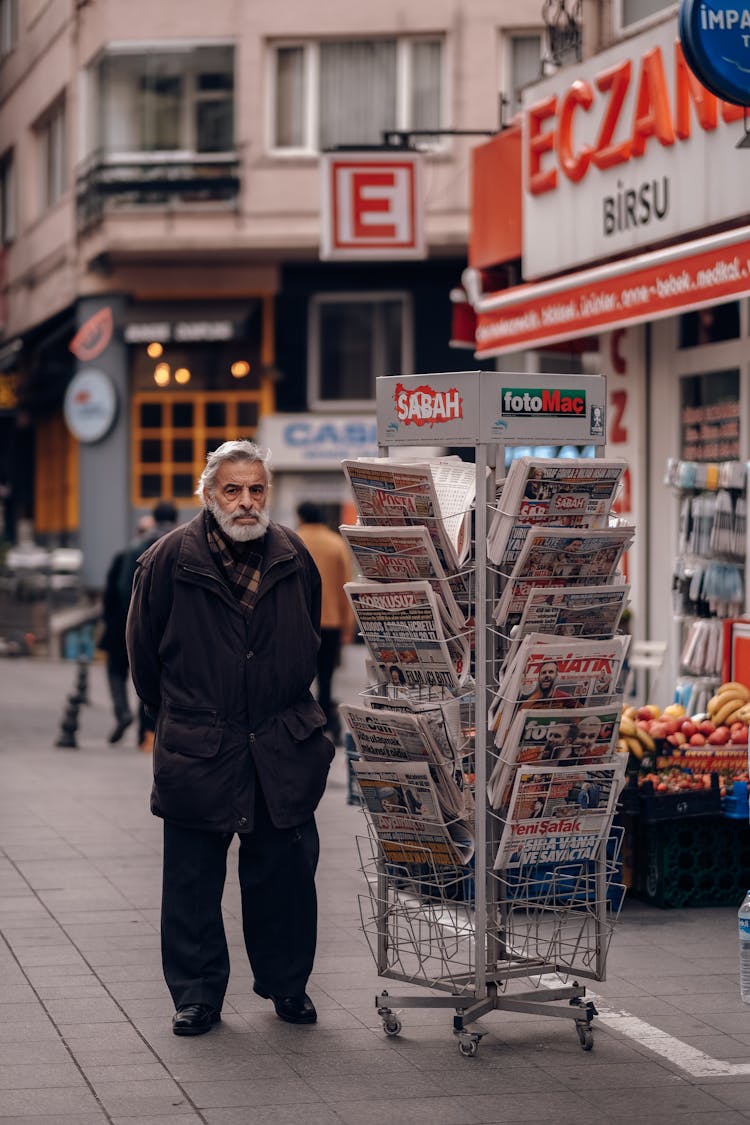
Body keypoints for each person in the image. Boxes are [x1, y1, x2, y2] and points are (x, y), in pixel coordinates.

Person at [126, 439, 334, 1037]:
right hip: (201, 742)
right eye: (233, 489)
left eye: (257, 489)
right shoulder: (167, 560)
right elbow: (143, 659)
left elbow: (311, 637)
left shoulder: (293, 554)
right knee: (192, 881)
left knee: (286, 875)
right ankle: (196, 995)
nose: (246, 502)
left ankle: (288, 985)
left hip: (280, 741)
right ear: (209, 494)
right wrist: (185, 717)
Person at [98, 504, 176, 745]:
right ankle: (148, 731)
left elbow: (119, 591)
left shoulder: (132, 550)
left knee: (118, 671)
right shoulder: (186, 544)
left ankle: (123, 712)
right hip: (170, 626)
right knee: (153, 675)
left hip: (128, 622)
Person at [295, 501, 354, 742]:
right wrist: (348, 626)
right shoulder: (336, 544)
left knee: (298, 677)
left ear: (300, 516)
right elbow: (346, 585)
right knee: (327, 676)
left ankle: (301, 722)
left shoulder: (294, 541)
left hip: (299, 622)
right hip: (331, 622)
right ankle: (326, 721)